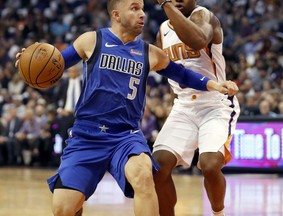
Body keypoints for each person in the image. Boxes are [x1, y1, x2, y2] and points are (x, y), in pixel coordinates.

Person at [15, 0, 238, 215]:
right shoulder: (91, 40)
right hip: (87, 135)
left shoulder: (149, 52)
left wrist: (213, 84)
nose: (142, 13)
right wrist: (29, 64)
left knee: (144, 175)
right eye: (134, 8)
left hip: (125, 136)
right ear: (116, 15)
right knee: (63, 209)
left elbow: (182, 74)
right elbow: (56, 64)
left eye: (142, 8)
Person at [152, 1, 240, 216]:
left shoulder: (205, 17)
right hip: (183, 105)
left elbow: (198, 41)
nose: (177, 0)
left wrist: (166, 5)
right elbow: (162, 67)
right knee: (157, 168)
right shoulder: (163, 31)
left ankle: (218, 213)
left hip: (215, 103)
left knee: (209, 165)